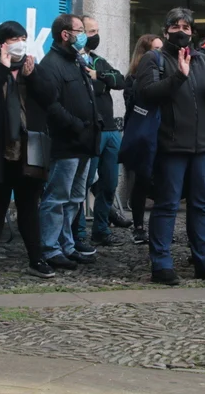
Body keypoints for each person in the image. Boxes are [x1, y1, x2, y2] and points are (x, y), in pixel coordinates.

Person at [135, 8, 205, 285]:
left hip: (201, 147)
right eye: (176, 26)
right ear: (166, 30)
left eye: (186, 27)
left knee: (202, 205)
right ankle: (161, 264)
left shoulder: (201, 60)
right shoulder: (154, 59)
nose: (181, 31)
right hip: (170, 145)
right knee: (167, 205)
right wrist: (178, 76)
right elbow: (147, 93)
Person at [0, 21, 55, 280]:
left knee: (29, 206)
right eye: (14, 39)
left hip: (30, 150)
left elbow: (50, 98)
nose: (20, 44)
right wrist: (2, 68)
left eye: (23, 38)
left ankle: (36, 259)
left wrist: (33, 76)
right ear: (1, 44)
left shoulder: (34, 69)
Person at [38, 14, 101, 270]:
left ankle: (67, 244)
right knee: (57, 198)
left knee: (75, 198)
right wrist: (75, 125)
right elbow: (51, 105)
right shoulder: (50, 64)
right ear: (66, 35)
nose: (84, 35)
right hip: (65, 143)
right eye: (80, 30)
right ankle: (50, 248)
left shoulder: (76, 60)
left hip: (85, 142)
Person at [77, 16, 125, 247]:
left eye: (97, 30)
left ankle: (101, 229)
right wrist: (100, 83)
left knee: (109, 183)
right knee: (83, 184)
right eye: (91, 31)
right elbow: (88, 89)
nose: (95, 35)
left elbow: (120, 80)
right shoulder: (73, 62)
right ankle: (78, 233)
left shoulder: (98, 61)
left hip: (111, 130)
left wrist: (100, 76)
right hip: (91, 131)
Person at [122, 34, 164, 245]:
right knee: (142, 180)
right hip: (143, 135)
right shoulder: (133, 79)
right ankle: (138, 226)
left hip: (162, 133)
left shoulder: (164, 73)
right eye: (156, 49)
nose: (160, 53)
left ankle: (159, 228)